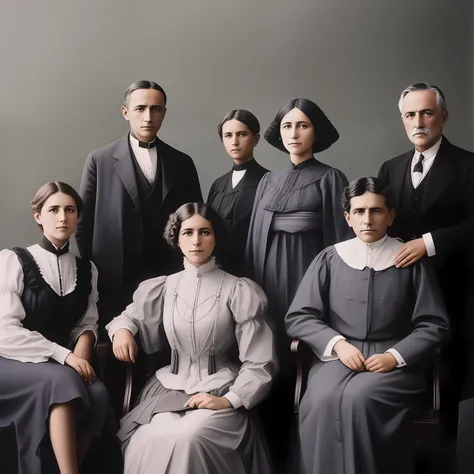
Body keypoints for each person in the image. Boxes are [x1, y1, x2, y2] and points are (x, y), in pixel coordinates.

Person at [285, 177, 450, 474]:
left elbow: (434, 324)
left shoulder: (410, 261)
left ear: (390, 215)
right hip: (337, 358)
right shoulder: (330, 259)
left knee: (359, 400)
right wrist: (338, 344)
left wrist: (394, 357)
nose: (367, 220)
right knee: (320, 400)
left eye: (375, 211)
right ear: (348, 217)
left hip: (395, 363)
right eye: (359, 211)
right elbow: (299, 316)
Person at [106, 202, 276, 474]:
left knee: (190, 437)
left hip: (221, 388)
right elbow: (127, 317)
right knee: (148, 438)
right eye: (188, 233)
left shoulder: (238, 289)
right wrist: (123, 331)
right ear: (177, 238)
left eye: (205, 232)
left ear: (215, 237)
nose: (196, 241)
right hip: (168, 388)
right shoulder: (164, 287)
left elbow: (261, 360)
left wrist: (228, 400)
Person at [245, 97, 350, 468]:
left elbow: (340, 245)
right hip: (266, 285)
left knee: (302, 370)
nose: (294, 133)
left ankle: (301, 460)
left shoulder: (330, 178)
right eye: (287, 126)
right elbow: (253, 241)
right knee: (266, 365)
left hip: (308, 285)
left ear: (315, 132)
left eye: (302, 125)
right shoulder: (267, 181)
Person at [377, 82, 474, 440]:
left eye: (427, 113)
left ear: (443, 118)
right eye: (410, 114)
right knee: (404, 378)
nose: (419, 121)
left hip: (455, 286)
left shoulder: (468, 165)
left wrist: (430, 243)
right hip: (403, 289)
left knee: (448, 381)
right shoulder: (390, 168)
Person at [0, 182, 110, 474]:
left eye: (70, 210)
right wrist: (64, 355)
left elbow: (87, 320)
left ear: (77, 217)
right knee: (63, 381)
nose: (63, 217)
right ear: (38, 215)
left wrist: (86, 339)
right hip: (13, 360)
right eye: (54, 210)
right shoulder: (14, 260)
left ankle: (67, 467)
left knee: (98, 394)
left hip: (61, 365)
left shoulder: (88, 269)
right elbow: (4, 331)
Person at [76, 80, 203, 331]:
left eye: (156, 109)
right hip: (112, 277)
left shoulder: (182, 162)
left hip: (168, 273)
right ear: (126, 112)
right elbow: (82, 225)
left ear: (164, 113)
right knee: (115, 347)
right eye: (140, 108)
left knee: (166, 344)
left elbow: (196, 218)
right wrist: (98, 270)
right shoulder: (99, 160)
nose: (148, 117)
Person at [207, 109, 268, 276]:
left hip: (254, 270)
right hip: (217, 271)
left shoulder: (269, 181)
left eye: (241, 134)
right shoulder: (218, 184)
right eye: (228, 135)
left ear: (255, 139)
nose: (234, 141)